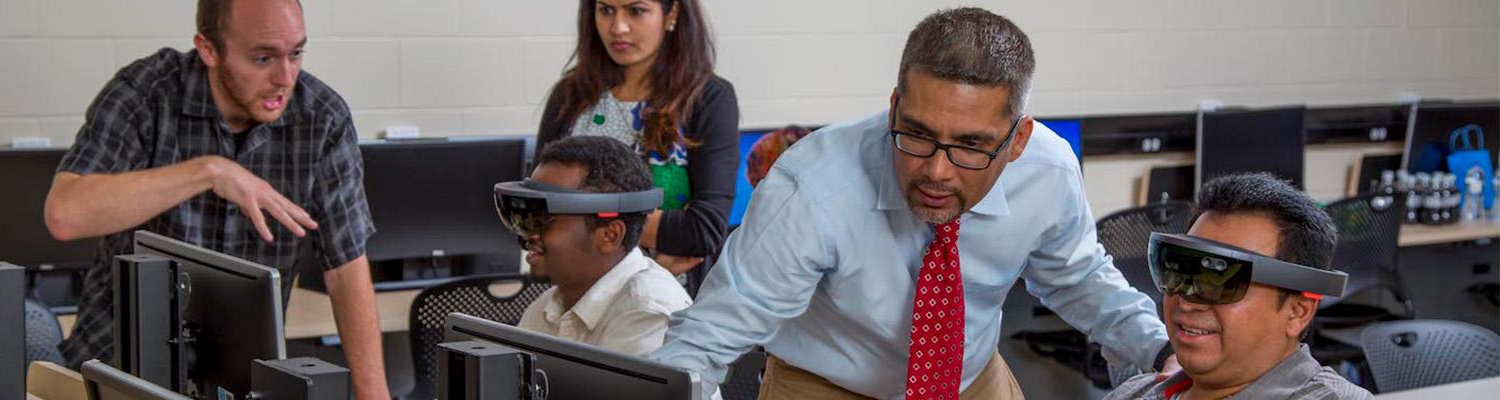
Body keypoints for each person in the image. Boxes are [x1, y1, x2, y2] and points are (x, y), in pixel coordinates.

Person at [649, 7, 1179, 399]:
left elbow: (1078, 279)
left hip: (971, 379)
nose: (937, 171)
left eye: (971, 145)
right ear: (894, 107)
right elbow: (710, 336)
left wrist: (1160, 351)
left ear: (1017, 141)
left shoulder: (1047, 171)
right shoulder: (810, 187)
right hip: (825, 384)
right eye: (917, 134)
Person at [42, 0, 388, 398]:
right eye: (263, 58)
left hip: (240, 382)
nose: (284, 77)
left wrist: (373, 395)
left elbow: (346, 267)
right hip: (118, 371)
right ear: (208, 49)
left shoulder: (322, 118)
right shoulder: (146, 94)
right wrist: (210, 171)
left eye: (295, 53)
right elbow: (66, 213)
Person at [1105, 173, 1372, 400]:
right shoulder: (1136, 392)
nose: (1186, 300)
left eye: (1220, 280)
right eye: (1179, 270)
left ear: (1298, 311)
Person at [535, 0, 740, 287]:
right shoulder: (570, 96)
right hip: (575, 299)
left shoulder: (708, 98)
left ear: (671, 13)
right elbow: (535, 213)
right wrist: (652, 230)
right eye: (606, 10)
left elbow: (703, 230)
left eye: (636, 10)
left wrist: (576, 215)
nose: (618, 27)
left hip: (668, 302)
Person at [494, 136, 692, 356]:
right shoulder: (546, 307)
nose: (528, 236)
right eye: (526, 221)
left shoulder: (648, 317)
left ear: (609, 235)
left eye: (544, 220)